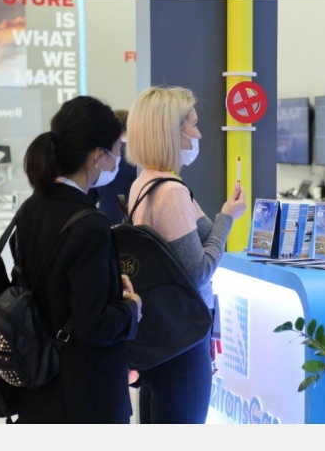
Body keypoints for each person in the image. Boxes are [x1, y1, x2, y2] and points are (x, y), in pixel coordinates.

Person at [10, 95, 142, 423]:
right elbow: (93, 325)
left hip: (38, 385)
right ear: (97, 155)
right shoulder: (90, 224)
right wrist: (132, 308)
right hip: (85, 394)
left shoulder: (30, 208)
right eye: (117, 150)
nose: (118, 160)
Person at [125, 85, 246, 424]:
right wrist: (227, 218)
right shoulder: (171, 192)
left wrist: (223, 216)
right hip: (183, 335)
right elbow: (199, 271)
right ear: (171, 132)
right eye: (192, 125)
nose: (199, 134)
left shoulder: (145, 182)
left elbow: (193, 244)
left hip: (159, 331)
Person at [88, 108, 137, 225]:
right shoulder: (143, 156)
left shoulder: (100, 157)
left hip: (106, 226)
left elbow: (88, 200)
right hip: (139, 229)